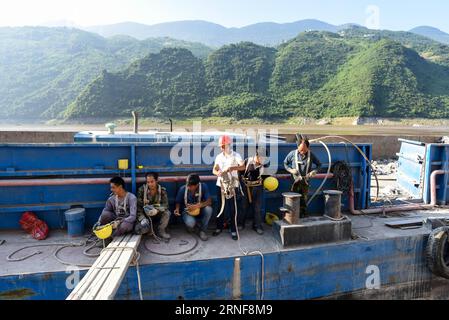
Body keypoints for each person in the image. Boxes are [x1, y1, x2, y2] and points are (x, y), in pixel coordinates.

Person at [212, 135, 245, 241]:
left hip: (232, 185)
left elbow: (243, 166)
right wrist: (218, 172)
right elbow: (214, 169)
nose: (222, 148)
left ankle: (233, 230)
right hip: (220, 185)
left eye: (223, 146)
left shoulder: (236, 155)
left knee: (232, 208)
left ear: (228, 145)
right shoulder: (219, 157)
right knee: (220, 207)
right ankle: (219, 227)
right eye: (221, 146)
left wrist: (232, 168)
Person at [284, 136, 322, 218]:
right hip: (295, 182)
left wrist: (314, 171)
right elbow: (285, 163)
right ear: (297, 147)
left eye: (304, 150)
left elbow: (319, 165)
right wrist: (290, 170)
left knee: (304, 199)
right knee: (293, 198)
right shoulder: (292, 154)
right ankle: (293, 215)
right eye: (300, 150)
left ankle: (303, 214)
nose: (302, 152)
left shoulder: (311, 155)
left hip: (305, 182)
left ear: (308, 148)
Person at [238, 148, 270, 235]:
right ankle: (240, 224)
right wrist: (241, 185)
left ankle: (257, 226)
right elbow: (239, 173)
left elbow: (267, 177)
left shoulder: (265, 165)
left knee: (257, 208)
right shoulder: (247, 161)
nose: (263, 160)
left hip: (258, 188)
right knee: (243, 207)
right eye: (262, 158)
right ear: (257, 156)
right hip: (246, 188)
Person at [174, 174, 213, 241]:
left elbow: (209, 201)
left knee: (209, 209)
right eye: (188, 185)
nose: (189, 187)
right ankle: (193, 226)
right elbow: (178, 201)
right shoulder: (183, 189)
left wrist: (197, 206)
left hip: (200, 210)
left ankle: (202, 230)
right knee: (191, 223)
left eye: (191, 186)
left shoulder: (203, 187)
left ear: (197, 184)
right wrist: (177, 209)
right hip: (187, 212)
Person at [135, 172, 171, 240]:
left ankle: (161, 231)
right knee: (140, 229)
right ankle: (149, 229)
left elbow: (165, 205)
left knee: (167, 213)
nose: (150, 184)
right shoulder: (142, 190)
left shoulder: (162, 190)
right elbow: (138, 207)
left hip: (157, 214)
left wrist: (157, 210)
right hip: (146, 215)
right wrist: (142, 219)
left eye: (152, 182)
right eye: (148, 182)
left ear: (156, 181)